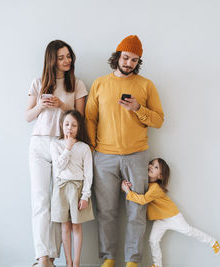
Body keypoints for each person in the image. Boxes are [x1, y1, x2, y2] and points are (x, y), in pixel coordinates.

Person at [85, 35, 164, 267]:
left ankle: (132, 262)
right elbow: (90, 118)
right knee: (106, 212)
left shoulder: (146, 85)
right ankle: (108, 259)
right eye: (126, 57)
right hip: (104, 157)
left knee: (136, 212)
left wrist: (139, 109)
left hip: (137, 156)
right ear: (118, 55)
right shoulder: (100, 83)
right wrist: (92, 149)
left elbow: (159, 120)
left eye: (134, 60)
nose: (129, 63)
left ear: (138, 61)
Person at [26, 40, 88, 267]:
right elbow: (27, 116)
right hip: (39, 144)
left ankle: (52, 257)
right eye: (61, 57)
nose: (67, 61)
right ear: (51, 59)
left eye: (69, 56)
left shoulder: (77, 85)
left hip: (65, 145)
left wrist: (62, 105)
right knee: (40, 201)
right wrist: (42, 106)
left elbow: (80, 118)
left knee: (59, 202)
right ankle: (43, 258)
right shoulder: (38, 82)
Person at [121, 158, 220, 267]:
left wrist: (127, 192)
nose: (150, 167)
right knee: (153, 240)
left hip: (172, 216)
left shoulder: (155, 188)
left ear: (160, 176)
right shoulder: (146, 184)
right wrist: (127, 187)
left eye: (155, 167)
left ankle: (213, 242)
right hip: (160, 219)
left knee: (188, 231)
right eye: (151, 164)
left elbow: (143, 200)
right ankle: (157, 264)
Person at [50, 110, 94, 267]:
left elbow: (88, 174)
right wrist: (67, 148)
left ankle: (76, 262)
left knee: (77, 226)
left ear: (79, 127)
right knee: (65, 226)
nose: (70, 128)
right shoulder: (55, 145)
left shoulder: (84, 148)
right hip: (61, 188)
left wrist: (85, 196)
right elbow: (59, 167)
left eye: (74, 125)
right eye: (67, 124)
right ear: (61, 125)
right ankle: (68, 261)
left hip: (77, 189)